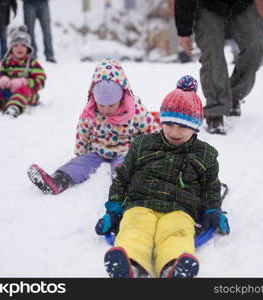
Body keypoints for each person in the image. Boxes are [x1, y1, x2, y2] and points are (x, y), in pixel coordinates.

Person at [95, 75, 230, 278]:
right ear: (162, 121)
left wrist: (213, 210)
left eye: (183, 126)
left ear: (194, 127)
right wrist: (114, 209)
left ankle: (172, 267)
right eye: (169, 124)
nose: (175, 132)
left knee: (177, 233)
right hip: (141, 203)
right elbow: (122, 178)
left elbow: (211, 186)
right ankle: (130, 265)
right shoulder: (143, 144)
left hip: (180, 209)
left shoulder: (205, 154)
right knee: (134, 228)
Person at [27, 58, 160, 195]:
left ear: (121, 98)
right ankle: (57, 181)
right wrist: (81, 154)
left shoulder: (134, 110)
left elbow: (151, 129)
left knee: (124, 168)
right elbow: (83, 133)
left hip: (124, 150)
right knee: (78, 164)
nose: (106, 110)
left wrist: (153, 152)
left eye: (111, 105)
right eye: (101, 105)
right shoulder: (90, 112)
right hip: (98, 151)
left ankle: (125, 188)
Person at [175, 0, 263, 134]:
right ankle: (215, 110)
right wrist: (184, 31)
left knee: (255, 48)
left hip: (242, 4)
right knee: (212, 53)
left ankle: (233, 95)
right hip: (207, 5)